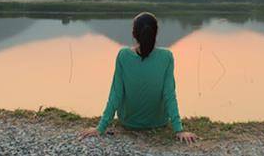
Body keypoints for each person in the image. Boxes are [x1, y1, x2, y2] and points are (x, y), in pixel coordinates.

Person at [80, 12, 198, 144]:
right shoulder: (167, 56)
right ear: (155, 33)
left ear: (134, 34)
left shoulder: (123, 55)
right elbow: (169, 94)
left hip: (129, 122)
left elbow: (116, 94)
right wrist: (179, 129)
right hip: (158, 122)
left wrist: (100, 127)